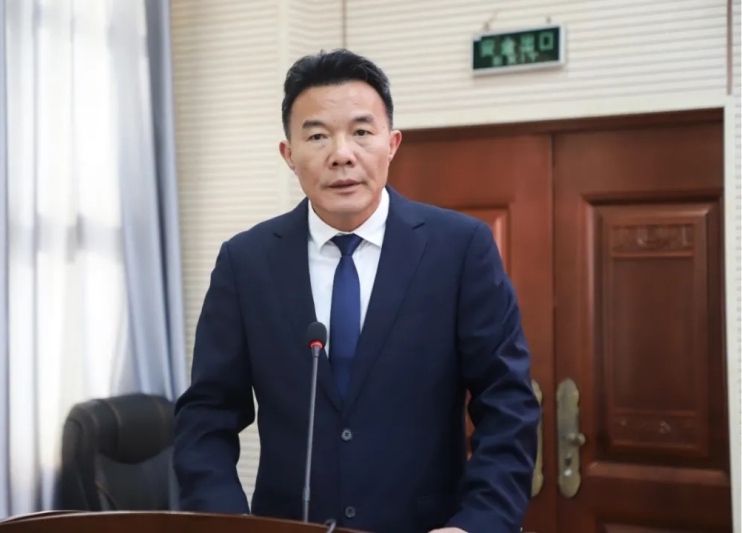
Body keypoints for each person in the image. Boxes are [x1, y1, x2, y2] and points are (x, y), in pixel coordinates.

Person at [172, 48, 540, 533]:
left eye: (362, 132)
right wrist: (228, 523)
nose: (341, 154)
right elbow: (207, 414)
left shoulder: (459, 249)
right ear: (288, 155)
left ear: (392, 143)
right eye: (317, 136)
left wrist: (479, 522)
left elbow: (507, 402)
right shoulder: (246, 262)